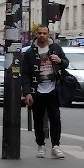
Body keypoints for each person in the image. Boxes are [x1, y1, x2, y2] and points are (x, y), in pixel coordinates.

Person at [21, 24, 68, 159]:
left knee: (55, 118)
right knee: (38, 119)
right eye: (39, 33)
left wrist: (59, 60)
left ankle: (55, 146)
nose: (42, 35)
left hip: (53, 89)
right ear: (36, 35)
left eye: (44, 33)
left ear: (49, 35)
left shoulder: (56, 48)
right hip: (37, 91)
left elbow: (66, 63)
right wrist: (27, 92)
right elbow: (25, 74)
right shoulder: (30, 52)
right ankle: (41, 145)